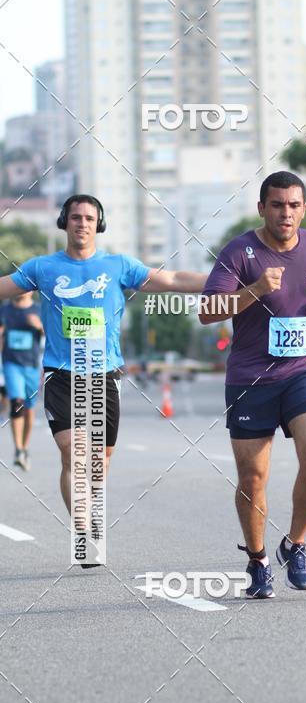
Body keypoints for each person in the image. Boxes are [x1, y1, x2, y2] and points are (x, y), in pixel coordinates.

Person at [0, 193, 208, 567]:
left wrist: (225, 280)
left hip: (105, 377)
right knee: (74, 455)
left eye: (90, 218)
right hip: (62, 375)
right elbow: (3, 286)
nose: (83, 224)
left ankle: (88, 512)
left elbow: (174, 278)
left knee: (97, 466)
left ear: (99, 224)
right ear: (65, 222)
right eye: (76, 217)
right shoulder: (42, 267)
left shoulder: (118, 266)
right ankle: (83, 528)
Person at [201, 171, 306, 598]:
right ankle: (258, 559)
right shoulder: (240, 251)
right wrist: (255, 289)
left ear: (304, 208)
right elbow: (208, 311)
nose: (287, 213)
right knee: (253, 478)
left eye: (294, 205)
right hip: (251, 379)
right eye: (278, 205)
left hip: (305, 371)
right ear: (262, 208)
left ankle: (295, 544)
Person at [0, 291, 43, 470]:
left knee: (29, 408)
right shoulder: (4, 310)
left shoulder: (39, 310)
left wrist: (39, 326)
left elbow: (51, 334)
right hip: (11, 364)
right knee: (17, 402)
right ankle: (18, 449)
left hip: (32, 365)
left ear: (31, 290)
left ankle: (25, 447)